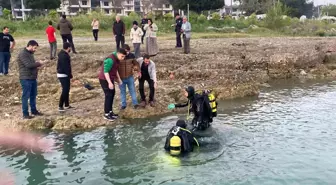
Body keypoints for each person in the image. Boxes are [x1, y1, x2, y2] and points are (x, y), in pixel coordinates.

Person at [17, 40, 47, 119]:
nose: (35, 50)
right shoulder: (23, 54)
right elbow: (28, 65)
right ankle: (25, 114)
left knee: (33, 95)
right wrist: (39, 63)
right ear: (29, 45)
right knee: (26, 96)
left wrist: (37, 66)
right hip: (26, 78)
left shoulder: (30, 54)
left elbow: (32, 65)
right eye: (34, 48)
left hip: (32, 78)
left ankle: (34, 111)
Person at [98, 48, 126, 121]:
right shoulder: (110, 60)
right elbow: (106, 72)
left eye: (124, 57)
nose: (123, 58)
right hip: (104, 79)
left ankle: (110, 112)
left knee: (112, 93)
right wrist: (109, 83)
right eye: (122, 56)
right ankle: (106, 114)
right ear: (118, 54)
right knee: (108, 95)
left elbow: (115, 70)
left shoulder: (117, 59)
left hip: (110, 78)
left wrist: (119, 79)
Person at [118, 44, 140, 110]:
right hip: (121, 78)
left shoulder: (132, 56)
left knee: (132, 90)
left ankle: (135, 104)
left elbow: (136, 64)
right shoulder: (119, 57)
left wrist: (138, 70)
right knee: (122, 91)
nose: (126, 53)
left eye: (127, 51)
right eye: (125, 51)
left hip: (130, 77)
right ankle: (123, 105)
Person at [57, 42, 74, 112]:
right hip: (63, 75)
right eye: (70, 48)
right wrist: (70, 75)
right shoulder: (64, 56)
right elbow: (65, 67)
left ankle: (66, 104)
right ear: (68, 47)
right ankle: (60, 106)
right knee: (65, 90)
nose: (70, 49)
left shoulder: (62, 54)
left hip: (63, 74)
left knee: (67, 89)